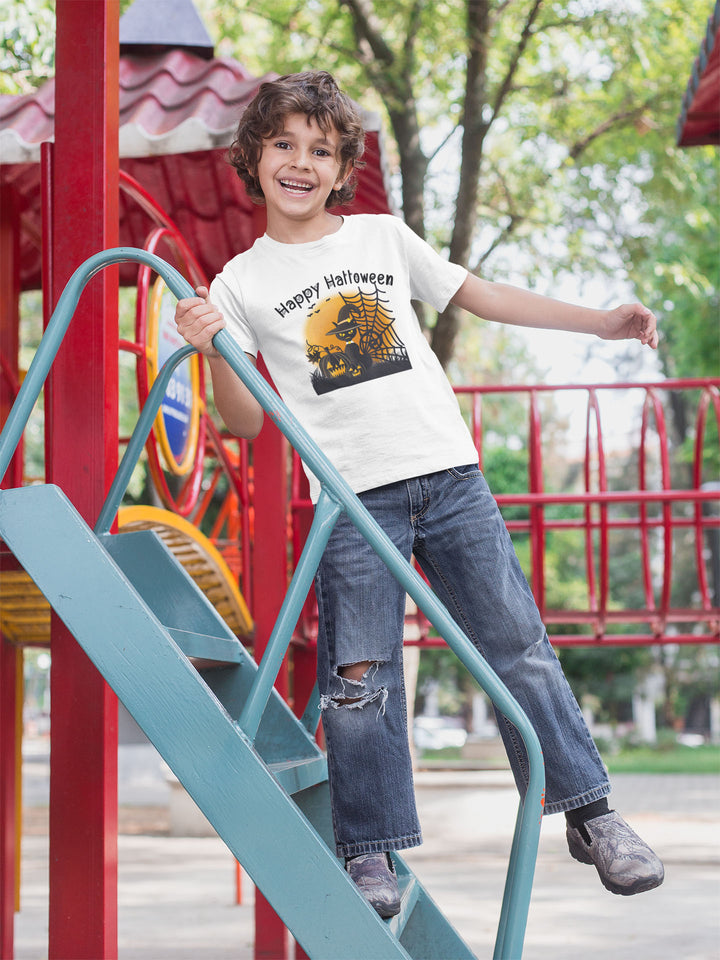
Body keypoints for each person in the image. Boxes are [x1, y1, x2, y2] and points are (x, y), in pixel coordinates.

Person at [174, 71, 664, 917]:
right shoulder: (239, 283)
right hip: (353, 498)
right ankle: (370, 853)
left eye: (320, 150)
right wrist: (209, 350)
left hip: (449, 475)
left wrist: (598, 321)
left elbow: (483, 295)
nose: (301, 162)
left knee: (518, 645)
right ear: (252, 157)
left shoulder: (382, 239)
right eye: (283, 144)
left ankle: (592, 813)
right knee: (360, 676)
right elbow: (246, 420)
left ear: (341, 168)